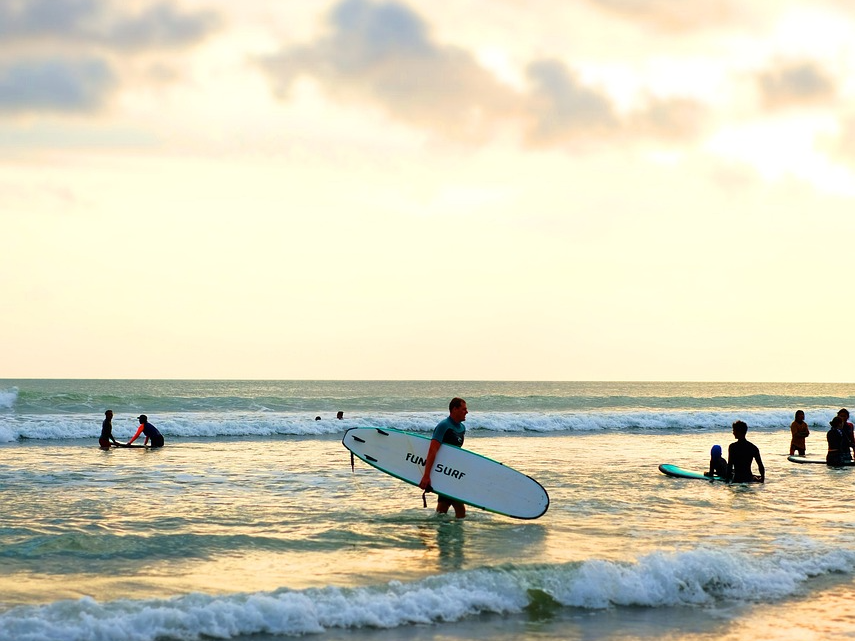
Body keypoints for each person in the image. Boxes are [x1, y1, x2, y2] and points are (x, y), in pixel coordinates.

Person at [418, 397, 468, 518]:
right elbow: (432, 450)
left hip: (452, 474)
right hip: (444, 473)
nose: (466, 412)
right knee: (459, 510)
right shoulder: (444, 426)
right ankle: (446, 533)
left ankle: (436, 531)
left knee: (445, 509)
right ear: (454, 409)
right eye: (463, 409)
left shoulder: (462, 428)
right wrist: (426, 475)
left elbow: (455, 454)